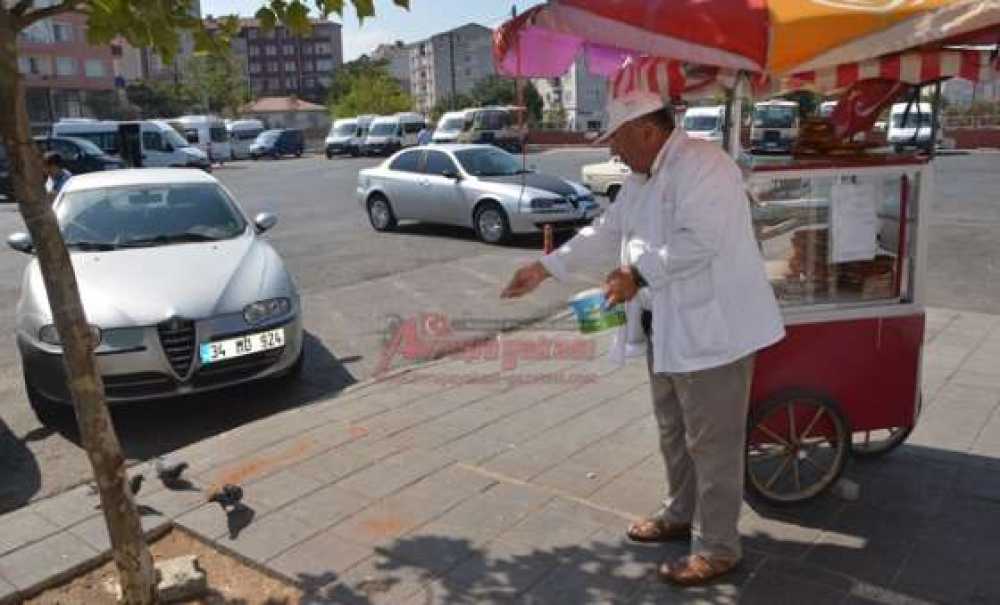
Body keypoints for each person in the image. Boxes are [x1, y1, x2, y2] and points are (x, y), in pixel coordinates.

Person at [500, 59, 785, 586]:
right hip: (667, 328)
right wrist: (545, 268)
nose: (614, 149)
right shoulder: (641, 178)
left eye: (618, 138)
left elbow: (699, 242)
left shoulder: (705, 166)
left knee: (714, 443)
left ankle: (719, 548)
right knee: (674, 431)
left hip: (715, 334)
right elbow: (608, 231)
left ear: (648, 130)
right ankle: (680, 513)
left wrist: (636, 274)